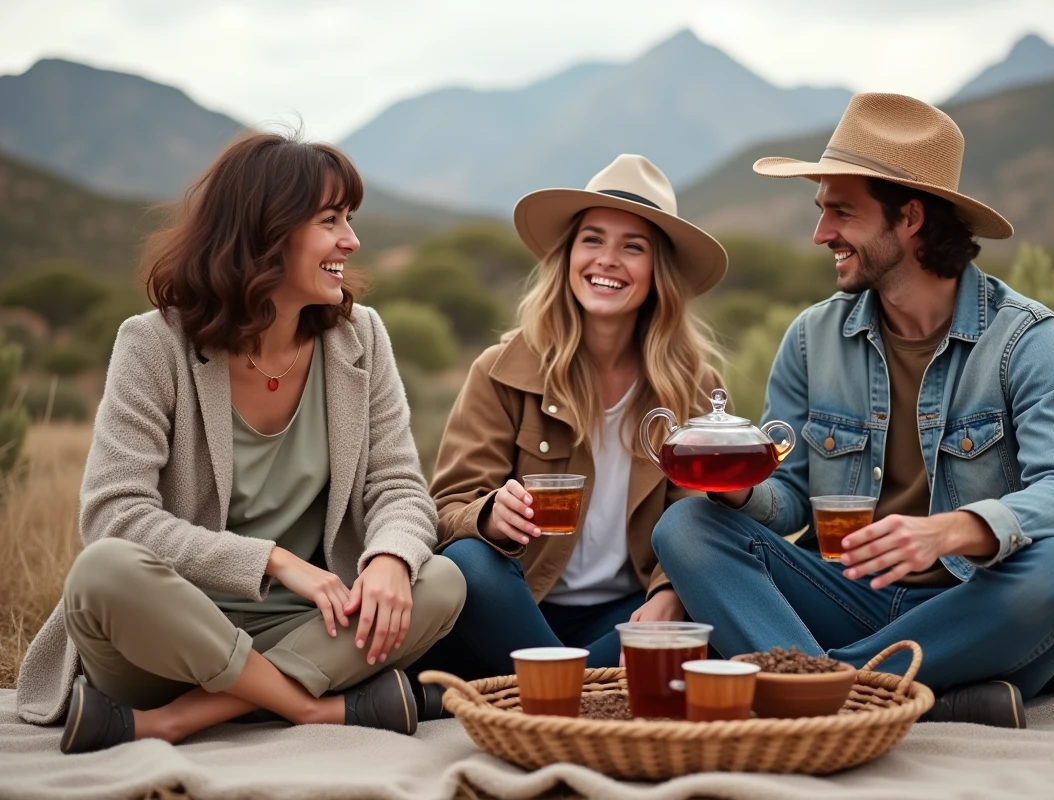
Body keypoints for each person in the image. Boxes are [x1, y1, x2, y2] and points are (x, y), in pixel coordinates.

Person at [651, 94, 1054, 728]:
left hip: (970, 608)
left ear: (911, 218)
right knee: (686, 527)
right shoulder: (812, 339)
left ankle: (813, 690)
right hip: (842, 595)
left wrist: (951, 531)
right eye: (821, 211)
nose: (821, 235)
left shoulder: (1023, 337)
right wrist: (735, 492)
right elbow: (786, 497)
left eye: (841, 212)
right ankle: (924, 700)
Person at [15, 132, 466, 753]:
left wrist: (389, 558)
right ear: (266, 232)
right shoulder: (153, 345)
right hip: (171, 635)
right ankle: (312, 710)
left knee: (440, 579)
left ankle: (177, 722)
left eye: (350, 219)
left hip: (309, 630)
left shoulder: (361, 338)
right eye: (330, 221)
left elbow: (399, 486)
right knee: (102, 570)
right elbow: (113, 517)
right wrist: (272, 561)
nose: (352, 241)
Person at [423, 154, 728, 677]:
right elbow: (447, 509)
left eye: (633, 247)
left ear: (660, 273)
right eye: (592, 240)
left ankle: (544, 686)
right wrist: (491, 515)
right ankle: (584, 689)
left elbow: (702, 522)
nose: (607, 260)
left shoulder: (695, 389)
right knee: (470, 564)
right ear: (568, 257)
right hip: (518, 602)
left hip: (623, 616)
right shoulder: (500, 371)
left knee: (716, 622)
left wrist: (672, 594)